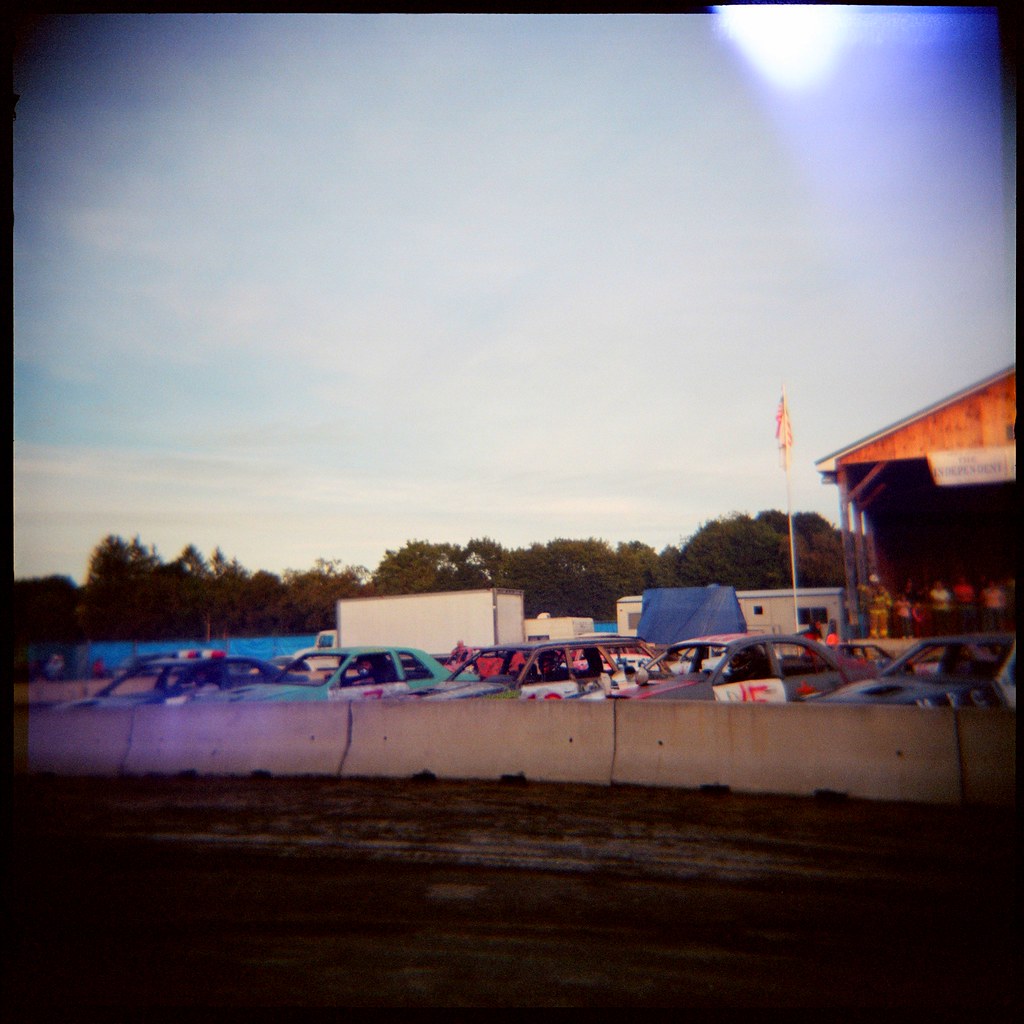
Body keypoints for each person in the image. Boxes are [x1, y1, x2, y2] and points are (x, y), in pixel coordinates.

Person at [867, 575, 892, 639]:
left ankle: (883, 635)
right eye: (873, 582)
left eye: (876, 582)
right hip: (874, 610)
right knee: (873, 623)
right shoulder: (869, 590)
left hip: (882, 609)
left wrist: (889, 604)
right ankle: (873, 635)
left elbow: (887, 598)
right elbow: (869, 599)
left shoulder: (883, 589)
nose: (875, 583)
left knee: (883, 623)